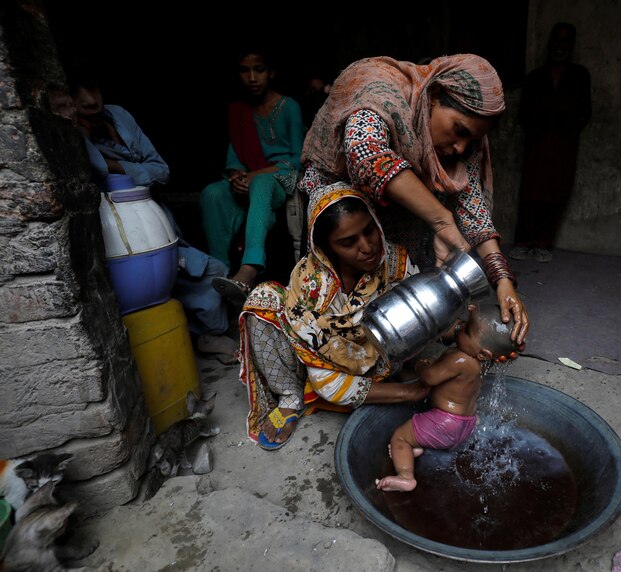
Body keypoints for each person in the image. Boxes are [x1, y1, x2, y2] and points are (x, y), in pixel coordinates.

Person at [299, 54, 529, 345]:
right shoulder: (383, 90)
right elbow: (365, 153)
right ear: (433, 97)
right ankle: (335, 347)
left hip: (398, 211)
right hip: (340, 199)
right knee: (337, 294)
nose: (461, 147)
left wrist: (503, 281)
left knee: (399, 285)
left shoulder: (465, 145)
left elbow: (473, 208)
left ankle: (395, 339)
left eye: (471, 140)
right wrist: (441, 219)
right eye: (459, 131)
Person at [238, 182, 431, 450]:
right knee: (262, 298)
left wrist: (454, 327)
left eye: (369, 230)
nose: (367, 247)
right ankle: (290, 398)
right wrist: (412, 392)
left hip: (382, 358)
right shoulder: (312, 286)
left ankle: (386, 382)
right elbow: (325, 383)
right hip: (318, 365)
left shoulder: (394, 261)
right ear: (325, 248)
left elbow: (424, 311)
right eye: (348, 242)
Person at [70, 71, 237, 362]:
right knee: (149, 286)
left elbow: (162, 171)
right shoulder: (72, 132)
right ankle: (190, 337)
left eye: (92, 87)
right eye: (78, 92)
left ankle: (206, 335)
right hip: (117, 227)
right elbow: (97, 169)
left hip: (153, 218)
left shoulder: (118, 116)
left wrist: (117, 166)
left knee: (211, 270)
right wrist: (122, 166)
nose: (89, 99)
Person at [375, 302, 519, 492]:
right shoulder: (484, 363)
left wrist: (422, 367)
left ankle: (405, 476)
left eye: (467, 331)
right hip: (466, 425)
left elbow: (429, 378)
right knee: (418, 438)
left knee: (400, 438)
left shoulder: (460, 359)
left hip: (444, 423)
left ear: (483, 353)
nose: (460, 330)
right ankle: (418, 448)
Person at [202, 47, 305, 304]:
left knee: (260, 181)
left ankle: (250, 266)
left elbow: (297, 159)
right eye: (244, 71)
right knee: (212, 193)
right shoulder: (238, 111)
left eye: (258, 70)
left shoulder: (289, 107)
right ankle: (221, 270)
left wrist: (254, 175)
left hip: (281, 180)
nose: (252, 77)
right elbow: (234, 158)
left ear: (271, 73)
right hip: (251, 180)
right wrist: (237, 176)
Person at [510, 22, 591, 264]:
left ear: (572, 46)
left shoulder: (579, 75)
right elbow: (523, 114)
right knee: (531, 194)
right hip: (537, 144)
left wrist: (567, 130)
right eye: (556, 40)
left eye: (566, 41)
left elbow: (584, 111)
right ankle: (524, 241)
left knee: (556, 193)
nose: (560, 46)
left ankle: (544, 243)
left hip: (565, 145)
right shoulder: (536, 77)